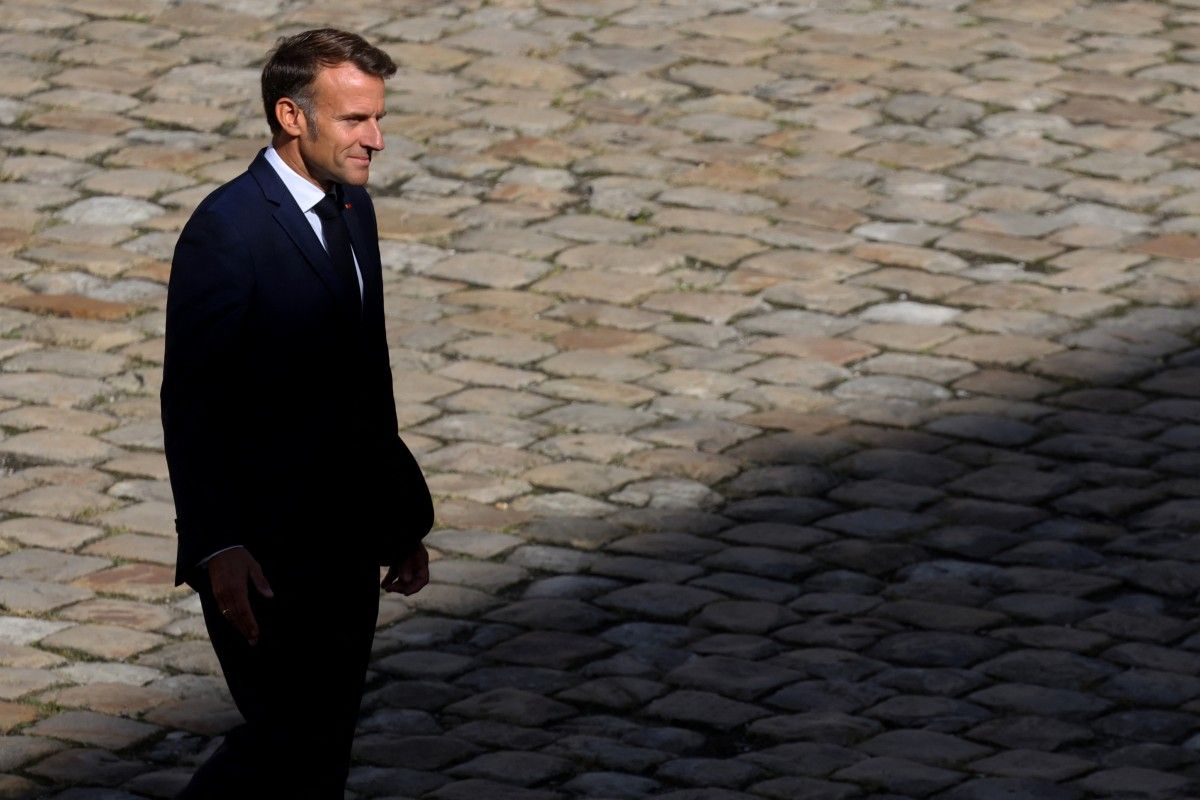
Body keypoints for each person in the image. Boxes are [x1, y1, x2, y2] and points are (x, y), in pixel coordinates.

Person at [161, 28, 433, 798]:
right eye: (355, 121)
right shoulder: (228, 231)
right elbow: (192, 401)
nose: (375, 139)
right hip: (263, 556)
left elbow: (363, 379)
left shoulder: (355, 210)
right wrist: (220, 546)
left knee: (324, 750)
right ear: (291, 115)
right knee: (285, 740)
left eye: (378, 119)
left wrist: (398, 518)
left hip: (345, 540)